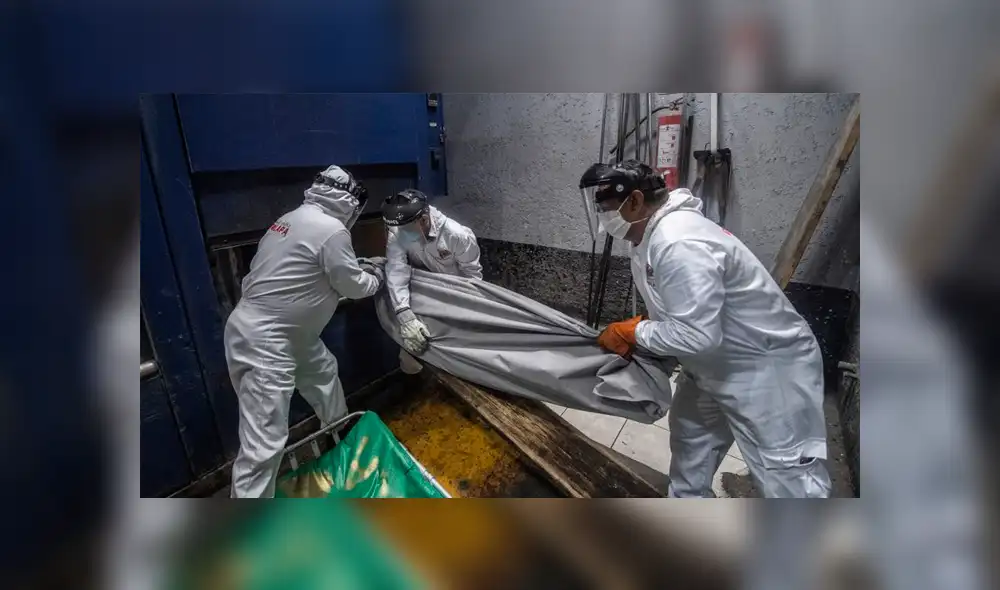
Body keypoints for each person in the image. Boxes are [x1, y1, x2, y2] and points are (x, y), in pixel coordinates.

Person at [579, 160, 831, 498]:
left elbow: (697, 335)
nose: (604, 216)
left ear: (635, 201)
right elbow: (683, 317)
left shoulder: (678, 242)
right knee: (692, 441)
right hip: (713, 365)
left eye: (607, 208)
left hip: (767, 371)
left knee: (785, 476)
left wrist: (635, 333)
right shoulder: (647, 236)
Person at [224, 165, 385, 498]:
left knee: (323, 372)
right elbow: (351, 286)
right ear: (349, 202)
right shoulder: (331, 230)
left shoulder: (292, 218)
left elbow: (305, 270)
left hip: (281, 332)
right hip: (268, 341)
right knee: (264, 442)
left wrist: (357, 267)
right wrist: (376, 278)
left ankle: (339, 435)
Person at [382, 189, 482, 373]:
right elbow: (397, 270)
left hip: (458, 296)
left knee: (459, 350)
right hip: (425, 296)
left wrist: (465, 310)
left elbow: (472, 276)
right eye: (398, 229)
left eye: (406, 229)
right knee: (411, 352)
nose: (401, 234)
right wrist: (404, 313)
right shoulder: (398, 233)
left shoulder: (456, 235)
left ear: (424, 219)